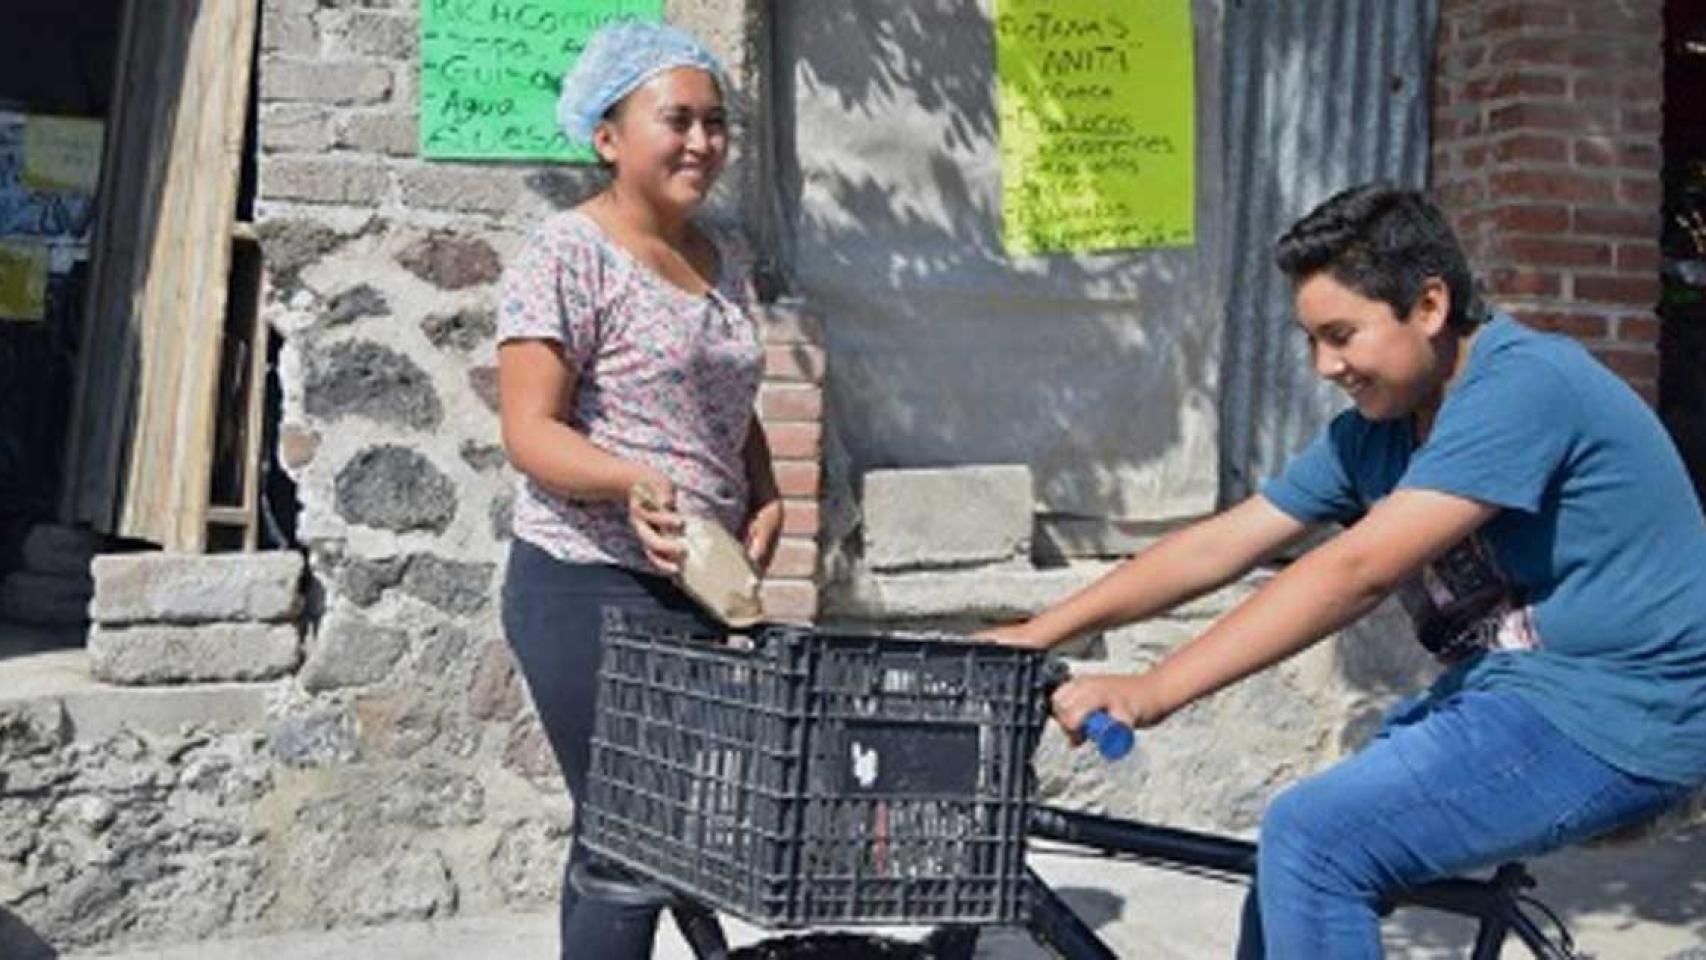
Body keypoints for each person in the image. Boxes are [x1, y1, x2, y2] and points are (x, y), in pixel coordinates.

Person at [986, 184, 1706, 958]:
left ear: (1429, 306)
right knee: (1295, 847)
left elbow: (1356, 570)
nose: (1325, 366)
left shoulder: (1525, 386)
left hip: (1622, 711)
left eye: (1342, 335)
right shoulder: (1376, 435)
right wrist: (1038, 632)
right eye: (1310, 341)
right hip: (1510, 698)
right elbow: (1220, 545)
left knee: (1317, 842)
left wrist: (1152, 689)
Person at [495, 20, 781, 960]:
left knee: (651, 828)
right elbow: (530, 430)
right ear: (608, 136)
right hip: (587, 581)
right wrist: (630, 483)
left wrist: (764, 494)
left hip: (696, 589)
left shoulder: (722, 257)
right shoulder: (566, 253)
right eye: (678, 120)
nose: (703, 142)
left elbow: (726, 400)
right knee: (626, 828)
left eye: (716, 122)